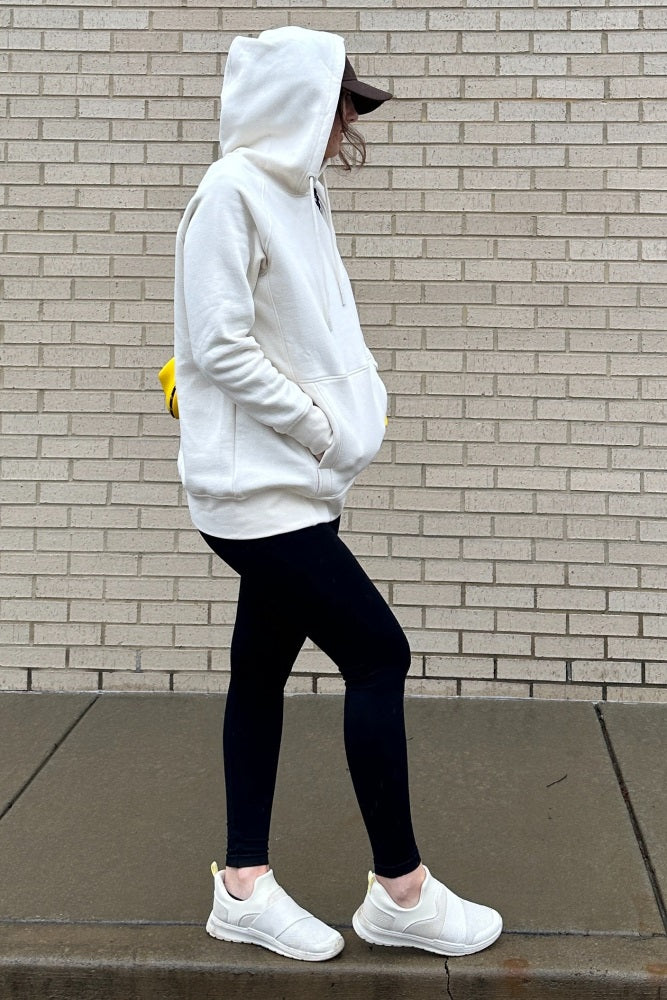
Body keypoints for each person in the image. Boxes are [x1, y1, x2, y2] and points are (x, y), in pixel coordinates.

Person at [173, 25, 502, 963]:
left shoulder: (299, 194)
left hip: (294, 482)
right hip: (257, 489)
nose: (347, 125)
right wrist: (320, 426)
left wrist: (346, 420)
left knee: (259, 671)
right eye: (339, 107)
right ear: (300, 103)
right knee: (377, 651)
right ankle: (402, 893)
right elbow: (217, 345)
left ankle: (242, 885)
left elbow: (311, 329)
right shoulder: (230, 193)